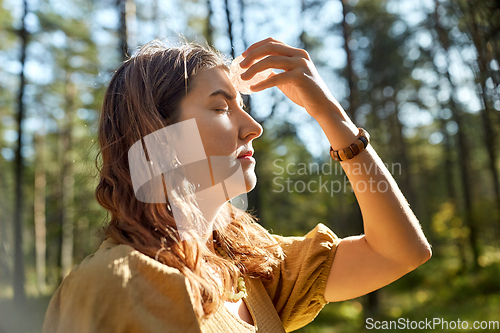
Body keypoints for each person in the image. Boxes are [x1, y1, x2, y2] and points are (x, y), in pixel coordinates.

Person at [42, 37, 432, 333]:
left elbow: (399, 253)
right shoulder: (112, 282)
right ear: (159, 135)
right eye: (220, 108)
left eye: (242, 108)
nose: (253, 128)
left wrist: (332, 116)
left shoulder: (252, 271)